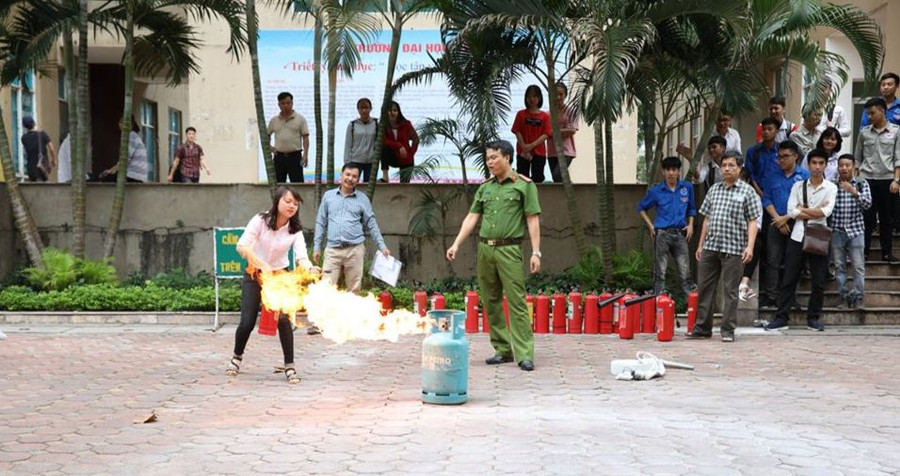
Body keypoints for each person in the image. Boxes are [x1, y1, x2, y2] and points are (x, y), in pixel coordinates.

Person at [445, 139, 541, 370]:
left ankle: (524, 354)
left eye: (493, 158)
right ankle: (502, 349)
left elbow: (532, 219)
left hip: (510, 250)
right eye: (487, 158)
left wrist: (536, 252)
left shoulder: (524, 186)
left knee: (517, 301)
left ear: (507, 157)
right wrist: (456, 244)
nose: (489, 162)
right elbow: (472, 217)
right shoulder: (485, 187)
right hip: (485, 250)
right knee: (491, 300)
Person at [227, 186, 317, 384]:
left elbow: (302, 257)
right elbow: (241, 246)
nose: (292, 206)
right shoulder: (260, 220)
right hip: (255, 274)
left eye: (295, 203)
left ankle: (290, 366)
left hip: (280, 278)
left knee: (284, 321)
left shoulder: (295, 230)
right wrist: (262, 264)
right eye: (288, 201)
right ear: (277, 201)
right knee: (247, 321)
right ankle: (237, 357)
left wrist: (310, 269)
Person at [689, 151, 760, 342]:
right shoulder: (714, 189)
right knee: (704, 288)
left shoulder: (747, 191)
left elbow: (752, 221)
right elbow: (706, 219)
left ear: (739, 167)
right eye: (724, 165)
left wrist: (750, 247)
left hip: (734, 249)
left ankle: (728, 331)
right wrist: (700, 245)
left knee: (730, 291)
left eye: (731, 165)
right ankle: (702, 328)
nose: (727, 169)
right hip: (711, 247)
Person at [764, 149, 837, 332]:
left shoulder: (831, 187)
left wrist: (803, 210)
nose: (817, 167)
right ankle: (782, 317)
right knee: (789, 278)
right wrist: (813, 210)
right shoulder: (798, 186)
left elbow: (826, 212)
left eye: (821, 163)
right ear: (809, 165)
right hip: (797, 236)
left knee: (819, 280)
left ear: (825, 166)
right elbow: (791, 211)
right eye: (814, 163)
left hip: (818, 236)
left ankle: (813, 318)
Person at [313, 163, 391, 295]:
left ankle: (352, 315)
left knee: (354, 290)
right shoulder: (328, 196)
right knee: (325, 289)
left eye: (354, 176)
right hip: (332, 250)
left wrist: (382, 246)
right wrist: (316, 246)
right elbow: (321, 222)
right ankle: (327, 316)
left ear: (358, 180)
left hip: (355, 250)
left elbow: (371, 224)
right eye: (347, 174)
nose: (350, 178)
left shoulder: (363, 199)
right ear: (341, 176)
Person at [759, 141, 809, 308]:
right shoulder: (772, 175)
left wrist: (786, 218)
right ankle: (771, 296)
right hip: (775, 221)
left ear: (795, 156)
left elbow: (808, 202)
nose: (781, 160)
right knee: (772, 260)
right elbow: (766, 199)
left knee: (793, 261)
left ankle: (789, 297)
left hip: (797, 222)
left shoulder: (805, 176)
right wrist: (778, 219)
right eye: (779, 157)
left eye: (785, 157)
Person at [636, 156, 696, 296]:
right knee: (660, 272)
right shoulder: (656, 191)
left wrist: (691, 225)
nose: (671, 173)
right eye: (668, 169)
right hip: (662, 233)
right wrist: (650, 225)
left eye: (674, 169)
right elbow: (641, 208)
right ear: (663, 171)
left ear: (679, 171)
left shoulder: (686, 188)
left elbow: (692, 209)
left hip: (681, 233)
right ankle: (658, 305)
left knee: (685, 271)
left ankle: (691, 307)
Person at [855, 96, 900, 262]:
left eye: (872, 113)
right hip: (867, 180)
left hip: (887, 180)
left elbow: (898, 158)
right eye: (868, 114)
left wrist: (896, 180)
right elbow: (858, 159)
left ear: (882, 111)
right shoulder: (864, 133)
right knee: (867, 219)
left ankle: (887, 253)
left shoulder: (895, 131)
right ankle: (864, 252)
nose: (869, 117)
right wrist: (858, 180)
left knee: (887, 219)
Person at [831, 153, 871, 309]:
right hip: (837, 230)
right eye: (841, 165)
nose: (844, 168)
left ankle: (859, 297)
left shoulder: (861, 183)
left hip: (856, 231)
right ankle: (844, 297)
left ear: (854, 167)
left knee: (858, 266)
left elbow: (868, 204)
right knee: (839, 266)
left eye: (848, 165)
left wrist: (854, 192)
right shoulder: (832, 185)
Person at [683, 112, 742, 182]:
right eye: (719, 120)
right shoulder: (709, 167)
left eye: (725, 120)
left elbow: (738, 154)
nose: (722, 123)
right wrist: (691, 161)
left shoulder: (734, 134)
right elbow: (699, 178)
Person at [512, 84, 552, 183]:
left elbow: (546, 134)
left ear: (539, 98)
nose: (531, 99)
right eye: (529, 96)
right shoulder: (520, 114)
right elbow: (517, 131)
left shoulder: (545, 116)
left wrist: (531, 145)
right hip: (523, 152)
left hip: (539, 152)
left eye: (534, 96)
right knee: (522, 178)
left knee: (538, 178)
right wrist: (524, 147)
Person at [267, 92, 310, 183]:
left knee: (298, 184)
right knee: (277, 184)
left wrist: (305, 155)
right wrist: (270, 148)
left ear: (292, 103)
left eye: (288, 103)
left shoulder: (300, 119)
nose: (286, 105)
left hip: (295, 157)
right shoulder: (274, 120)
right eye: (283, 103)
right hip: (279, 157)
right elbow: (266, 136)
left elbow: (305, 137)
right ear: (279, 104)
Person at [737, 168, 764, 303]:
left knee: (756, 244)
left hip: (747, 235)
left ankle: (745, 281)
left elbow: (757, 224)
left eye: (741, 179)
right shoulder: (723, 193)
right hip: (729, 235)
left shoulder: (755, 197)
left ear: (747, 181)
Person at [546, 82, 578, 183]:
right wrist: (563, 130)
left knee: (558, 174)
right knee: (557, 180)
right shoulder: (548, 114)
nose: (558, 97)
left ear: (565, 95)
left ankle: (571, 191)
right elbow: (547, 132)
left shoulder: (570, 111)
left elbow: (572, 130)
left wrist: (554, 132)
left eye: (561, 94)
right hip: (551, 151)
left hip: (567, 150)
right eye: (556, 94)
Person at [100, 118, 149, 183]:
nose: (120, 124)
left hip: (133, 175)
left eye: (122, 122)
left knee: (105, 178)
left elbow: (125, 159)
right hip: (137, 175)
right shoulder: (135, 136)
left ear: (131, 125)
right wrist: (112, 170)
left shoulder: (131, 136)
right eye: (120, 122)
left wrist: (111, 170)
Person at [380, 101, 418, 183]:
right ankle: (385, 176)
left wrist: (411, 153)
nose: (392, 113)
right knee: (383, 148)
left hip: (406, 158)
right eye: (389, 111)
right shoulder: (383, 125)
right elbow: (384, 140)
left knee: (404, 186)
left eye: (395, 110)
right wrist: (399, 145)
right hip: (392, 156)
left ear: (398, 112)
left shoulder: (406, 124)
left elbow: (416, 139)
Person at [343, 98, 377, 183]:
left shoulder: (376, 123)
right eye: (361, 108)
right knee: (353, 185)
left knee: (369, 186)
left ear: (370, 108)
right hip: (355, 161)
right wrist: (347, 162)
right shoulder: (352, 125)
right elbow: (348, 144)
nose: (364, 110)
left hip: (371, 161)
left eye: (366, 108)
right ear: (358, 109)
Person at [20, 116, 57, 182]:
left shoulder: (24, 138)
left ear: (24, 126)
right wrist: (54, 160)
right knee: (41, 188)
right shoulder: (42, 134)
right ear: (34, 123)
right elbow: (51, 149)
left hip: (30, 168)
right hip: (41, 167)